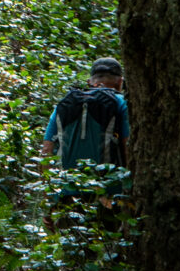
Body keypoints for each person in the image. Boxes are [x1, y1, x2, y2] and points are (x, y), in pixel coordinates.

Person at [41, 56, 130, 198]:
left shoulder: (65, 104)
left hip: (69, 194)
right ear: (120, 82)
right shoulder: (121, 103)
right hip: (109, 194)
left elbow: (46, 150)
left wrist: (51, 198)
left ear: (89, 82)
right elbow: (127, 146)